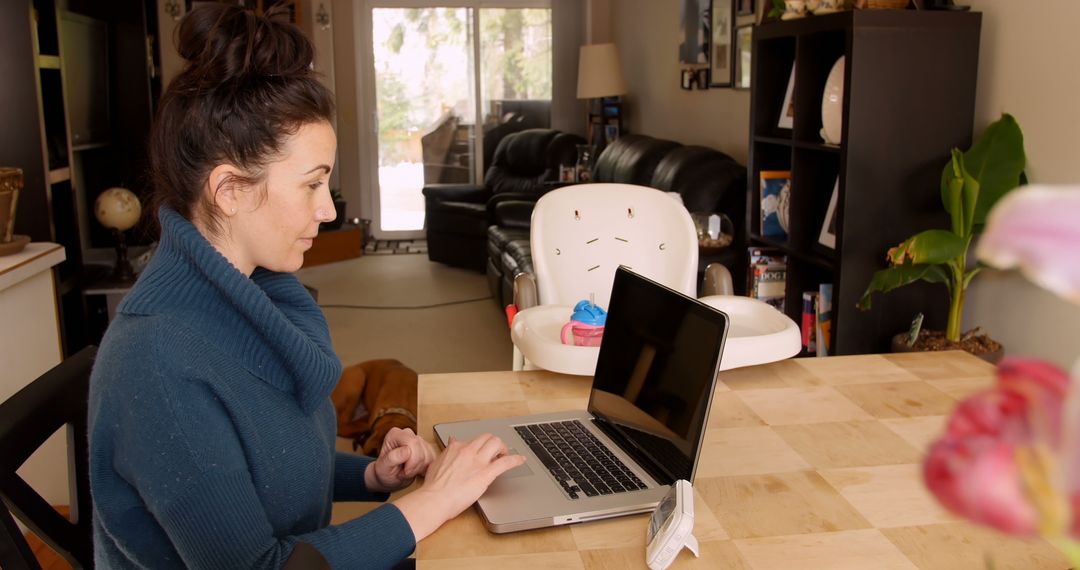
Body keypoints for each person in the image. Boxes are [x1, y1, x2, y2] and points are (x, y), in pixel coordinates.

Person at [87, 4, 523, 569]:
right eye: (312, 184)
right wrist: (433, 502)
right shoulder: (158, 365)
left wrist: (371, 475)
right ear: (230, 190)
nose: (327, 210)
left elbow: (266, 471)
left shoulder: (256, 299)